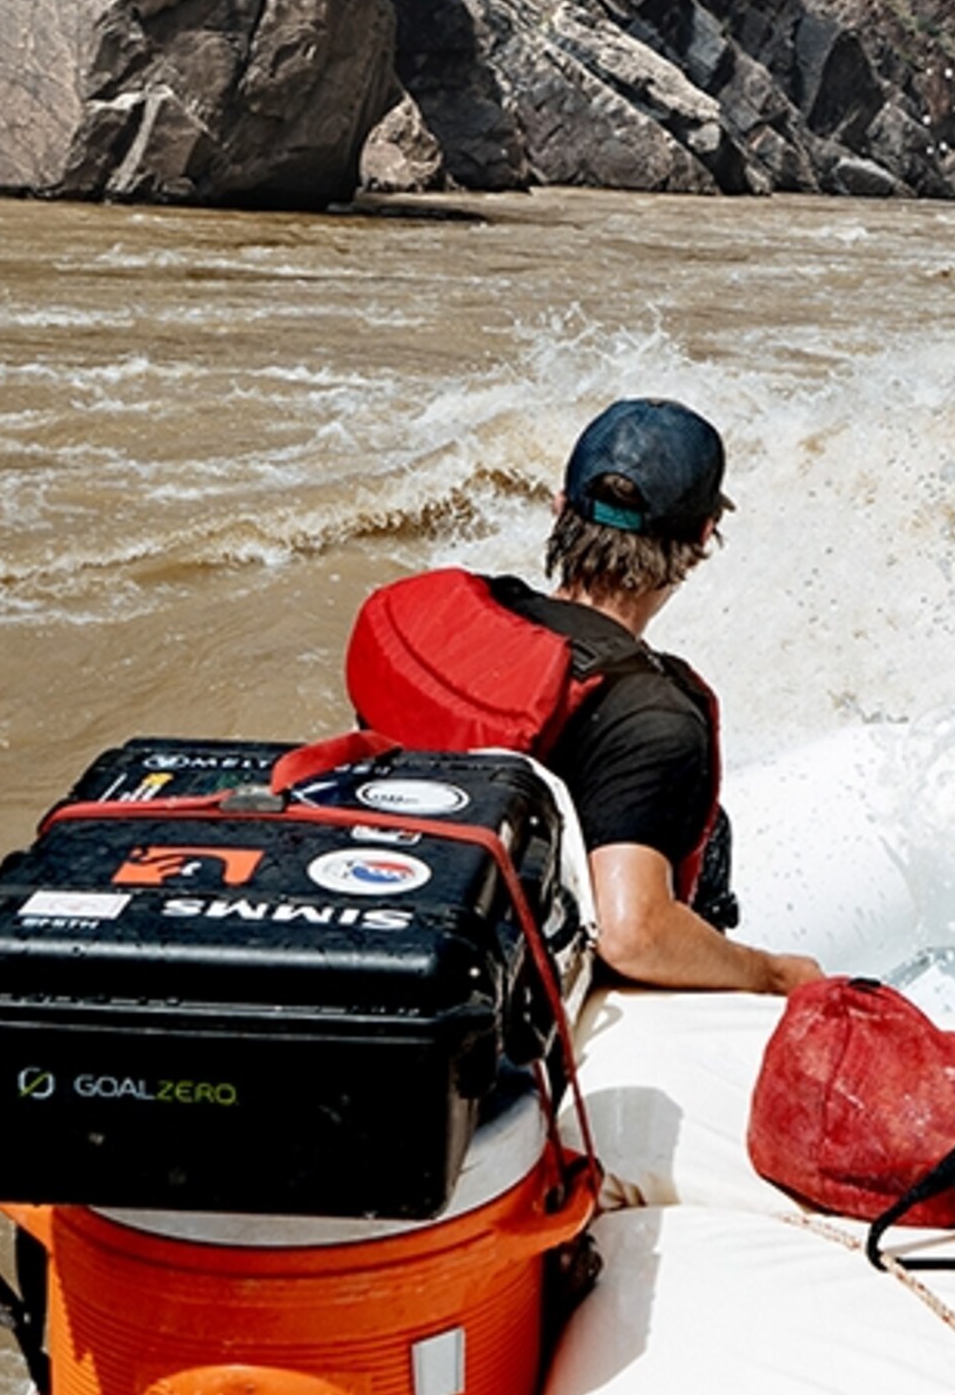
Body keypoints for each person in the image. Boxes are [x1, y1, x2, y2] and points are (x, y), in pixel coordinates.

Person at [350, 397, 820, 997]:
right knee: (711, 835)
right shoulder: (654, 716)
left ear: (560, 508)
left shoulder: (448, 619)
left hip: (388, 901)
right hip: (493, 987)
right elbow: (633, 934)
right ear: (704, 536)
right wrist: (773, 973)